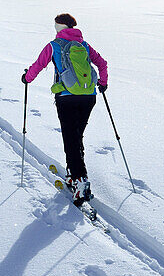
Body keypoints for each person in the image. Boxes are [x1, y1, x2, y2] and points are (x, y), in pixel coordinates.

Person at [21, 13, 108, 204]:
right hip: (88, 97)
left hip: (66, 98)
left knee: (70, 139)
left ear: (61, 28)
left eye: (56, 27)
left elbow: (38, 65)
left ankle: (79, 181)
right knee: (76, 137)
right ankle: (73, 174)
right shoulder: (84, 45)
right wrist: (102, 83)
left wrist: (27, 78)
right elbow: (102, 64)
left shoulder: (54, 45)